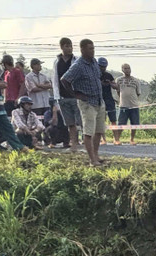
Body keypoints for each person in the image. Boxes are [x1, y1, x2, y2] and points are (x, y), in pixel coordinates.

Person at [59, 38, 105, 166]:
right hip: (87, 102)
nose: (93, 51)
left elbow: (97, 78)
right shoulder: (78, 65)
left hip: (99, 100)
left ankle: (96, 154)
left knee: (99, 130)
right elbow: (65, 79)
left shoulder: (94, 62)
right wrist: (75, 94)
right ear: (83, 49)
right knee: (88, 132)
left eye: (93, 48)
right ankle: (92, 160)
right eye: (90, 48)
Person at [52, 38, 80, 150]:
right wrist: (56, 97)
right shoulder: (56, 62)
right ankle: (73, 144)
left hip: (76, 96)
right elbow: (55, 80)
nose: (69, 48)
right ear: (62, 47)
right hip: (62, 97)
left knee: (80, 122)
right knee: (70, 123)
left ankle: (83, 143)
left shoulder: (77, 60)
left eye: (71, 46)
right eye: (67, 46)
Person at [114, 63, 141, 145]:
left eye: (129, 68)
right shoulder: (118, 80)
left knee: (134, 123)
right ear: (122, 70)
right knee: (121, 123)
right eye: (125, 68)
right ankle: (117, 139)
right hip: (123, 106)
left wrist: (134, 101)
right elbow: (118, 92)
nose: (127, 70)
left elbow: (138, 93)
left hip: (134, 106)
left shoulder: (136, 80)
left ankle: (132, 139)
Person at [98, 57, 117, 138]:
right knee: (101, 120)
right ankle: (103, 139)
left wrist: (110, 83)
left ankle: (116, 139)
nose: (103, 68)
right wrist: (100, 83)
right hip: (99, 99)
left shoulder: (108, 75)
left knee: (113, 120)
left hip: (109, 99)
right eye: (101, 66)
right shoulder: (95, 75)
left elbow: (115, 86)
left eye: (104, 67)